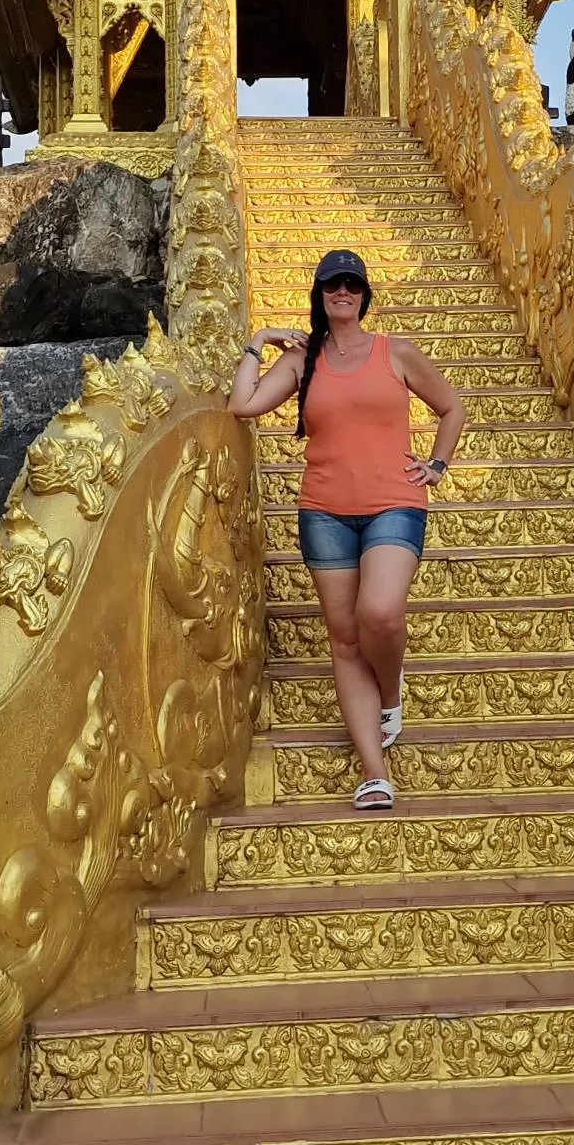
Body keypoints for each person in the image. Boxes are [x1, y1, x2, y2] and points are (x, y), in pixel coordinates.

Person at [228, 249, 467, 811]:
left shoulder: (397, 353)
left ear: (363, 296)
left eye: (352, 285)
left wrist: (437, 465)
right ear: (319, 294)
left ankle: (390, 691)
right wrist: (257, 340)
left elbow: (452, 408)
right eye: (333, 284)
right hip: (324, 510)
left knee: (379, 613)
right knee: (344, 640)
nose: (343, 292)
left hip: (394, 501)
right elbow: (243, 404)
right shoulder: (300, 362)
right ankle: (374, 772)